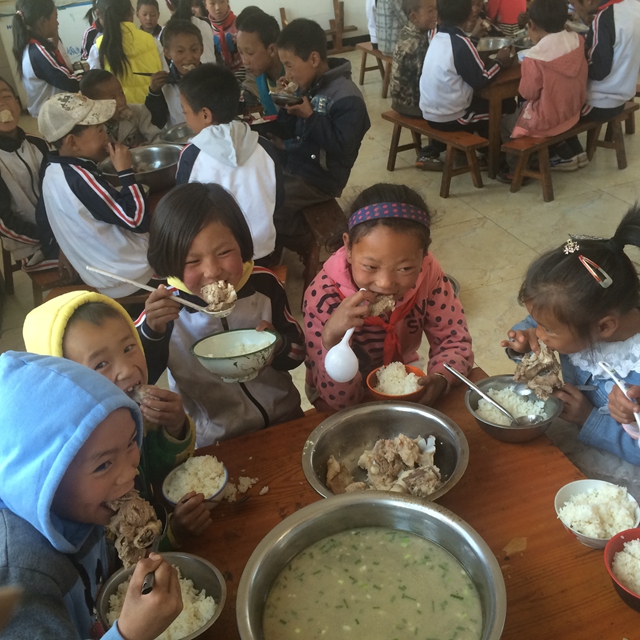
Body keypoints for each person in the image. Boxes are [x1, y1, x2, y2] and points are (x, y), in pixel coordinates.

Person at [0, 351, 183, 638]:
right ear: (44, 482)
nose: (130, 474)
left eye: (131, 442)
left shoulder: (86, 508)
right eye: (103, 465)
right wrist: (129, 634)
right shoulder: (21, 576)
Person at [22, 290, 214, 541]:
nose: (126, 370)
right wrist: (172, 536)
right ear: (64, 383)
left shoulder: (135, 414)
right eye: (101, 364)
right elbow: (114, 553)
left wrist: (175, 428)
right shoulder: (73, 467)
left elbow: (162, 474)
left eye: (128, 347)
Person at [136, 183, 305, 447]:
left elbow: (298, 351)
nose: (213, 271)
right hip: (215, 438)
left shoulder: (264, 285)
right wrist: (152, 332)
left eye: (224, 252)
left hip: (285, 417)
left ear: (241, 244)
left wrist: (279, 345)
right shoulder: (164, 310)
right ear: (169, 261)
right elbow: (139, 379)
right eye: (193, 261)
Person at [303, 183, 474, 411]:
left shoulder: (429, 274)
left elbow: (454, 340)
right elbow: (340, 401)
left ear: (423, 255)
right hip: (333, 392)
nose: (385, 283)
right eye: (370, 266)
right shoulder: (323, 297)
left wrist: (442, 377)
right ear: (349, 248)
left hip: (399, 374)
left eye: (405, 269)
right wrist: (332, 341)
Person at [500, 206, 640, 466]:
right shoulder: (581, 318)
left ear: (604, 327)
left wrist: (588, 418)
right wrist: (524, 342)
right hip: (576, 439)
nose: (539, 333)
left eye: (547, 329)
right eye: (538, 324)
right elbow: (537, 324)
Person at [36, 92, 153, 298]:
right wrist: (125, 172)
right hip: (132, 275)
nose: (106, 136)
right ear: (73, 143)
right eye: (99, 130)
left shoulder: (52, 172)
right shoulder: (80, 179)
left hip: (104, 275)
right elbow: (137, 220)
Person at [273, 18, 371, 252]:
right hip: (298, 166)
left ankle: (311, 244)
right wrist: (285, 103)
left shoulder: (348, 97)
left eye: (289, 65)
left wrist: (311, 117)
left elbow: (343, 147)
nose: (287, 73)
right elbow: (288, 131)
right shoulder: (309, 84)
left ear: (314, 59)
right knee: (258, 190)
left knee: (272, 206)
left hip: (319, 180)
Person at [175, 63, 279, 261]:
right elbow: (278, 198)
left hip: (217, 259)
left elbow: (183, 210)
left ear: (205, 115)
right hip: (263, 250)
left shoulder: (191, 155)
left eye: (185, 112)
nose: (185, 118)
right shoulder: (264, 146)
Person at [498, 0, 588, 182]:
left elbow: (527, 93)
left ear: (531, 24)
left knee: (506, 123)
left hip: (548, 120)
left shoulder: (535, 57)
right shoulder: (577, 40)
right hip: (573, 111)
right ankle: (563, 151)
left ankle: (517, 170)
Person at [418, 0, 512, 166]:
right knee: (504, 106)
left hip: (429, 112)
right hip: (451, 117)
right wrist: (499, 61)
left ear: (439, 17)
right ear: (468, 15)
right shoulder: (461, 42)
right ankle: (497, 158)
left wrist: (474, 37)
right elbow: (480, 80)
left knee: (482, 104)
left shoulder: (436, 36)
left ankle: (482, 150)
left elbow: (461, 56)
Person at [0, 77, 58, 273]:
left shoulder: (37, 144)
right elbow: (5, 222)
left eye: (6, 96)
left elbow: (59, 187)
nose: (2, 105)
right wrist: (47, 235)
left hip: (61, 230)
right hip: (33, 249)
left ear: (17, 104)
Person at [573, 0, 640, 123]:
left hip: (597, 103)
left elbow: (598, 71)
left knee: (552, 113)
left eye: (573, 4)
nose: (575, 9)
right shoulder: (635, 5)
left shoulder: (604, 18)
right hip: (621, 97)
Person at [89, 0, 167, 105]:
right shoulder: (152, 40)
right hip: (154, 108)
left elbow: (96, 90)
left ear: (98, 13)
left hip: (121, 110)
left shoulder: (99, 48)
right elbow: (165, 77)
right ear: (131, 13)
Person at [12, 0, 81, 116]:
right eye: (55, 18)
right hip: (53, 116)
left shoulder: (32, 47)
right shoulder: (38, 51)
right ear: (43, 21)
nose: (57, 23)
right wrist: (90, 76)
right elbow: (68, 81)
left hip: (51, 114)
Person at [145, 19, 204, 128]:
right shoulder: (164, 85)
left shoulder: (212, 79)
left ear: (201, 49)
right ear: (167, 53)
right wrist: (154, 93)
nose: (189, 57)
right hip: (179, 136)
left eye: (194, 50)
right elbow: (157, 122)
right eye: (180, 51)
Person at [81, 69, 161, 146]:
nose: (122, 102)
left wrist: (149, 146)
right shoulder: (89, 128)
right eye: (112, 99)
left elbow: (158, 138)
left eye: (121, 93)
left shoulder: (139, 112)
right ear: (94, 104)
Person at [390, 0, 437, 119]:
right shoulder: (417, 43)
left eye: (436, 9)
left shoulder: (406, 31)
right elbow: (427, 80)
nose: (436, 14)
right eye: (430, 11)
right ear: (414, 17)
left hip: (399, 102)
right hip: (412, 106)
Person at [236, 9, 284, 116]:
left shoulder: (293, 74)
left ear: (272, 50)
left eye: (250, 53)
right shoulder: (260, 76)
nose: (245, 61)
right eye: (241, 52)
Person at [205, 0, 245, 81]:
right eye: (212, 3)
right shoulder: (205, 29)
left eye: (222, 1)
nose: (218, 8)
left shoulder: (240, 24)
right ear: (205, 6)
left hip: (244, 73)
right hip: (219, 77)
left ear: (227, 2)